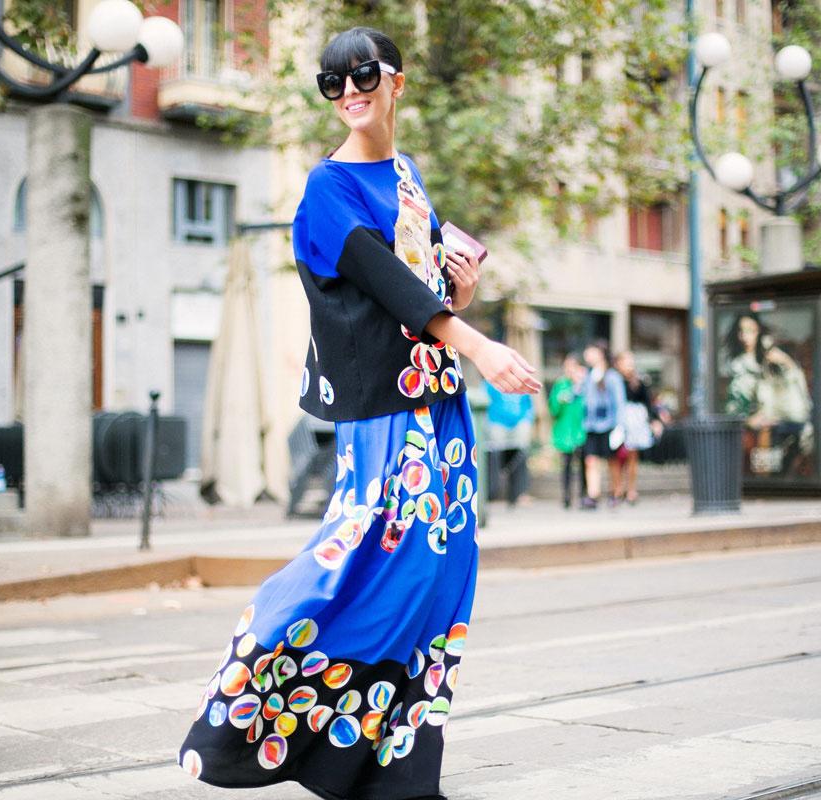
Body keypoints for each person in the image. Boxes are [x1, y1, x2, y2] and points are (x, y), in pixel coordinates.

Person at [177, 27, 539, 800]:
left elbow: (432, 288)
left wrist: (463, 288)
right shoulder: (328, 189)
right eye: (332, 83)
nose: (349, 93)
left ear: (396, 82)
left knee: (437, 572)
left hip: (436, 404)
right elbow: (389, 287)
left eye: (363, 76)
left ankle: (397, 773)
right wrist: (480, 346)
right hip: (383, 407)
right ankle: (247, 690)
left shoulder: (406, 176)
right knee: (363, 549)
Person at [723, 312, 813, 475]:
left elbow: (796, 388)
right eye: (741, 331)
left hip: (785, 424)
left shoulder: (769, 359)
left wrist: (787, 362)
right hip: (759, 433)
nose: (745, 337)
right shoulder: (738, 366)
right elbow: (732, 407)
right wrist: (749, 420)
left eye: (751, 330)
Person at [611, 351, 662, 505]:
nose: (629, 365)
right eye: (626, 361)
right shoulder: (614, 380)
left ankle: (631, 489)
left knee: (632, 456)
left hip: (635, 421)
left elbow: (648, 402)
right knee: (615, 456)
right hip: (617, 419)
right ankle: (617, 489)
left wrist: (654, 421)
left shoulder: (640, 380)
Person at [579, 341, 625, 509]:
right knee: (590, 460)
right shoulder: (588, 376)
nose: (588, 355)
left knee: (612, 461)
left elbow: (619, 403)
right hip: (591, 426)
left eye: (591, 351)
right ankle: (593, 494)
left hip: (609, 425)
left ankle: (616, 492)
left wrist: (620, 426)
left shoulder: (612, 377)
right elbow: (580, 396)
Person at [484, 380, 534, 508]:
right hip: (497, 423)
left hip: (519, 424)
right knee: (496, 458)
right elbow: (484, 402)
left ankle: (519, 493)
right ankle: (493, 492)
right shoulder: (491, 381)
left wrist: (527, 419)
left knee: (520, 458)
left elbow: (528, 404)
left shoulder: (520, 380)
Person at [548, 353, 588, 508]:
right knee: (566, 466)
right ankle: (566, 496)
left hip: (581, 432)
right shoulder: (560, 385)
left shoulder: (584, 385)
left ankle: (584, 494)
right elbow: (553, 410)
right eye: (567, 366)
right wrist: (560, 400)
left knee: (584, 464)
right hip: (564, 433)